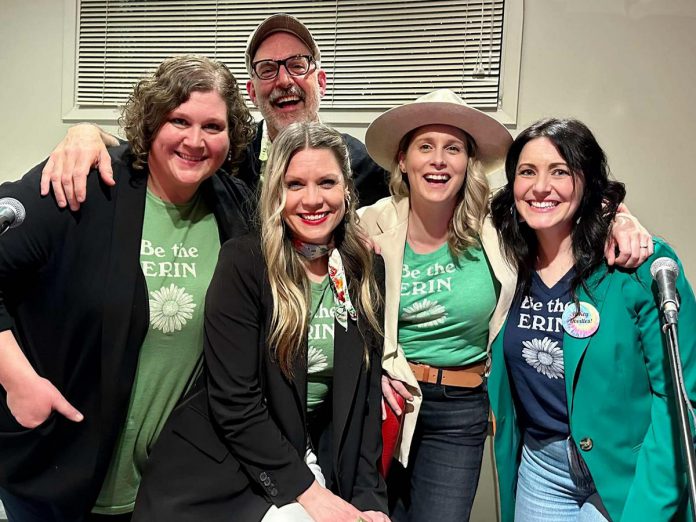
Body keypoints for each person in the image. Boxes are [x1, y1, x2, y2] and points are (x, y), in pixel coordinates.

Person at [358, 90, 655, 521]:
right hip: (390, 401)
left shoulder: (496, 224)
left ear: (469, 162)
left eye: (453, 148)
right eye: (426, 146)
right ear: (403, 159)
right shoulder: (369, 223)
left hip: (460, 408)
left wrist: (620, 217)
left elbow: (559, 202)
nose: (439, 160)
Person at [0, 55, 255, 521]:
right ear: (152, 119)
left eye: (213, 126)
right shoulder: (83, 183)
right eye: (179, 120)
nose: (195, 141)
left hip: (165, 489)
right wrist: (17, 381)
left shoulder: (232, 207)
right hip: (57, 472)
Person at [131, 122, 389, 522]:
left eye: (327, 182)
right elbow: (235, 402)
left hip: (298, 451)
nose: (313, 199)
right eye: (295, 184)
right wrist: (310, 492)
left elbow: (367, 402)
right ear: (274, 194)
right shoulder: (245, 262)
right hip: (220, 467)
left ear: (347, 190)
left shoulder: (365, 269)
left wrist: (369, 499)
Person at [488, 118, 696, 521]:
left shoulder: (637, 265)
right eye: (526, 172)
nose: (541, 187)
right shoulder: (503, 261)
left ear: (588, 182)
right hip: (541, 469)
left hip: (624, 471)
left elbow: (680, 398)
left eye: (560, 171)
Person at [39, 14, 389, 210]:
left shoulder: (362, 165)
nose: (284, 80)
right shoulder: (229, 150)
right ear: (252, 92)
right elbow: (158, 154)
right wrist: (86, 132)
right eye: (268, 69)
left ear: (321, 81)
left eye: (297, 65)